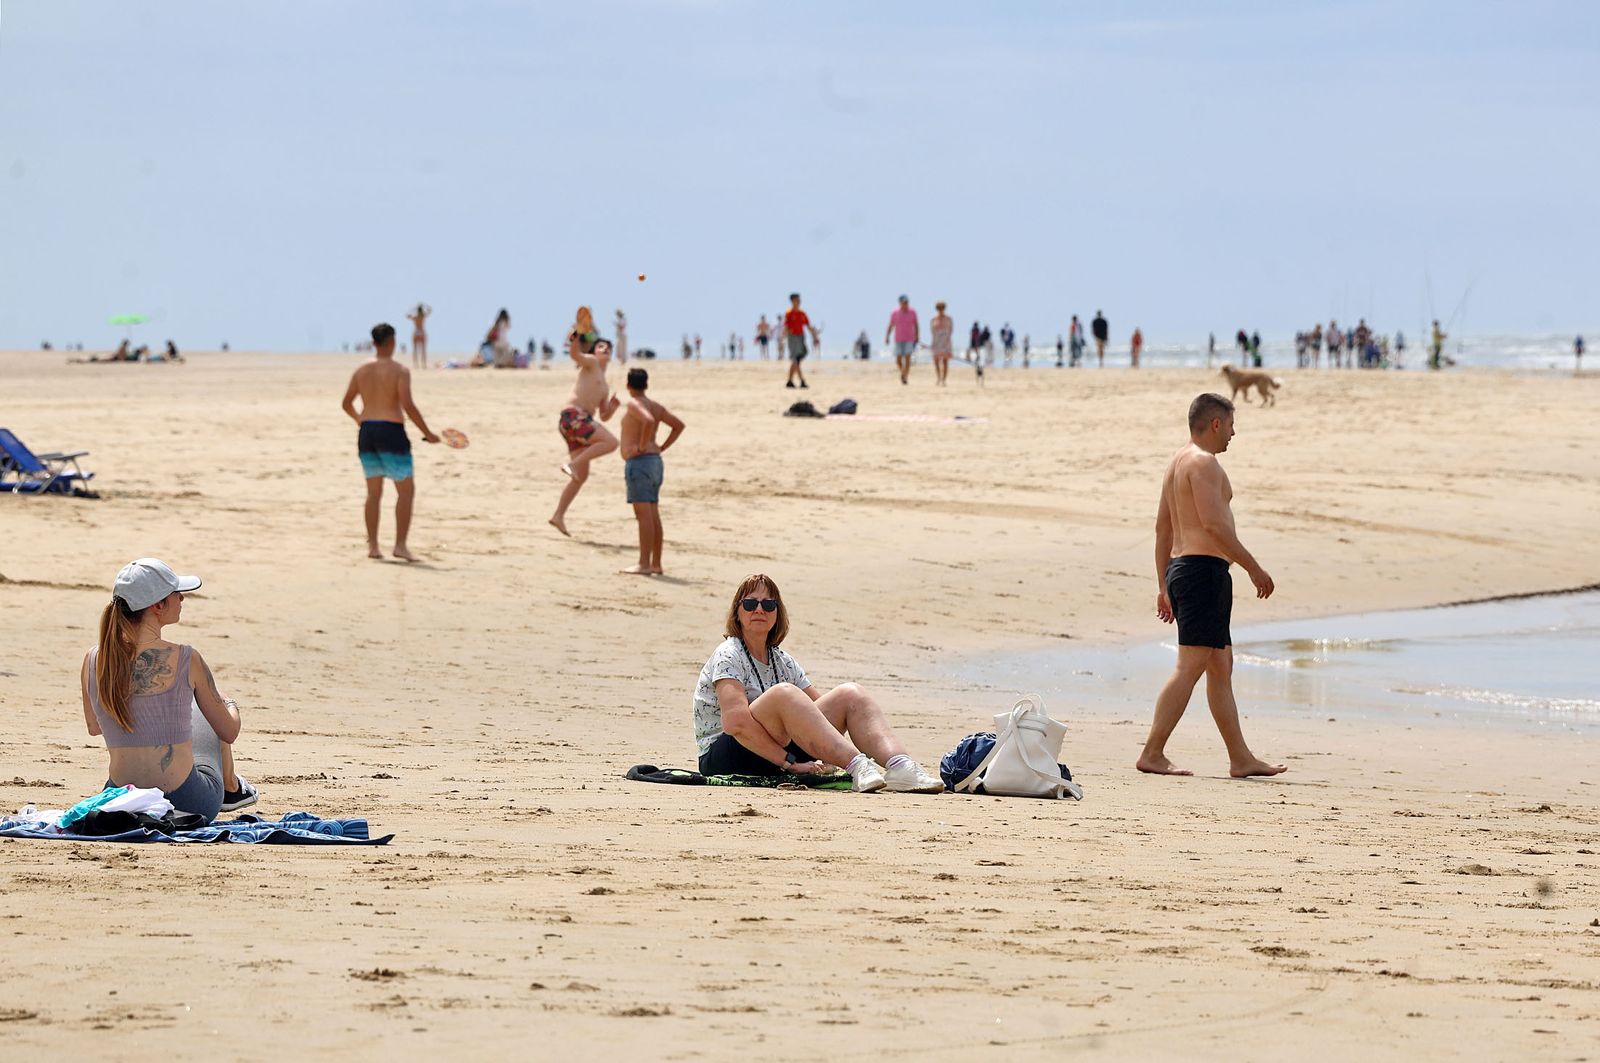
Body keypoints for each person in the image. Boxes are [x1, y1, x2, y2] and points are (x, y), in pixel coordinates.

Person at [1138, 393, 1286, 779]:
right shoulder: (1203, 463)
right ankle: (1152, 752)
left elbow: (1162, 529)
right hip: (1202, 572)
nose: (1234, 434)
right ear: (1216, 423)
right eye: (1232, 425)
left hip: (1185, 569)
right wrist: (1253, 568)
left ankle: (1241, 758)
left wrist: (1163, 583)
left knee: (1220, 665)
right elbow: (1214, 525)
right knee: (1190, 666)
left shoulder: (1176, 462)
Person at [691, 574, 944, 793]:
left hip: (777, 750)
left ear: (777, 614)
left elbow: (816, 715)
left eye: (768, 604)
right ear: (737, 611)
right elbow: (736, 723)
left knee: (850, 694)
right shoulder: (729, 653)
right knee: (784, 694)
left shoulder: (782, 660)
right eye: (750, 603)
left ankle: (900, 766)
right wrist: (789, 763)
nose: (759, 610)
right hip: (727, 754)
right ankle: (857, 764)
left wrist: (828, 750)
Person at [81, 558, 258, 823]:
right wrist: (231, 704)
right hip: (187, 799)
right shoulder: (187, 658)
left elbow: (95, 727)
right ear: (157, 606)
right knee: (205, 706)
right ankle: (232, 789)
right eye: (177, 594)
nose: (182, 600)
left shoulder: (95, 658)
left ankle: (233, 788)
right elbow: (229, 732)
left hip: (121, 799)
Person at [341, 323, 440, 561]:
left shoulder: (361, 370)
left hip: (367, 433)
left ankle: (373, 547)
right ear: (393, 341)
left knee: (373, 493)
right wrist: (428, 432)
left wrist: (359, 420)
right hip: (391, 431)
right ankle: (400, 545)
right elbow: (407, 405)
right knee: (406, 491)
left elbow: (346, 403)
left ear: (374, 343)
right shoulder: (400, 371)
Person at [550, 313, 620, 536]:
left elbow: (604, 415)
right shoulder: (590, 364)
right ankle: (571, 465)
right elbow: (574, 354)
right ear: (594, 351)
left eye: (608, 347)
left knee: (582, 476)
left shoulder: (605, 385)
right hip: (573, 416)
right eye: (600, 346)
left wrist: (613, 406)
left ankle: (558, 516)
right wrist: (577, 336)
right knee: (611, 442)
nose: (605, 348)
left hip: (579, 421)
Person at [618, 368, 684, 575]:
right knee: (653, 513)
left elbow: (646, 420)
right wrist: (661, 446)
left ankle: (644, 563)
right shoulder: (655, 406)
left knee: (643, 515)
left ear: (628, 386)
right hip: (655, 461)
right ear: (646, 385)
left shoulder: (634, 403)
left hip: (641, 462)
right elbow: (678, 425)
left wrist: (641, 446)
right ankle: (656, 563)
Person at [783, 292, 820, 389]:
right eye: (797, 300)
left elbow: (808, 326)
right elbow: (786, 328)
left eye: (799, 300)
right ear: (792, 301)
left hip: (801, 337)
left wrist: (815, 337)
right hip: (792, 337)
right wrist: (783, 340)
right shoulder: (789, 313)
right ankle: (802, 381)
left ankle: (790, 381)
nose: (799, 302)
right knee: (796, 359)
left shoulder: (802, 313)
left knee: (798, 359)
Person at [886, 294, 919, 385]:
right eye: (904, 302)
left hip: (909, 338)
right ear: (900, 303)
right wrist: (887, 336)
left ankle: (905, 376)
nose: (905, 304)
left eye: (907, 302)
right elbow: (891, 325)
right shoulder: (895, 313)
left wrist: (917, 336)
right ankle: (903, 373)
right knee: (898, 360)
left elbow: (916, 325)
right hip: (898, 339)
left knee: (908, 358)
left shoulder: (912, 312)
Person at [930, 300, 954, 385]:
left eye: (942, 308)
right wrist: (933, 343)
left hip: (946, 342)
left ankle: (944, 379)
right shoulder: (933, 319)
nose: (940, 309)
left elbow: (951, 330)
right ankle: (938, 378)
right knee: (936, 361)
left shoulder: (949, 319)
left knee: (945, 361)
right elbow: (932, 332)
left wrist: (946, 340)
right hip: (936, 342)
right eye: (939, 308)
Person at [407, 303, 431, 368]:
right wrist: (425, 305)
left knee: (415, 350)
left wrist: (413, 309)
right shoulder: (423, 316)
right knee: (423, 349)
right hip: (422, 332)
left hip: (416, 332)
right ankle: (424, 365)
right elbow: (430, 310)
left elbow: (407, 316)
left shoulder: (415, 317)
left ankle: (416, 365)